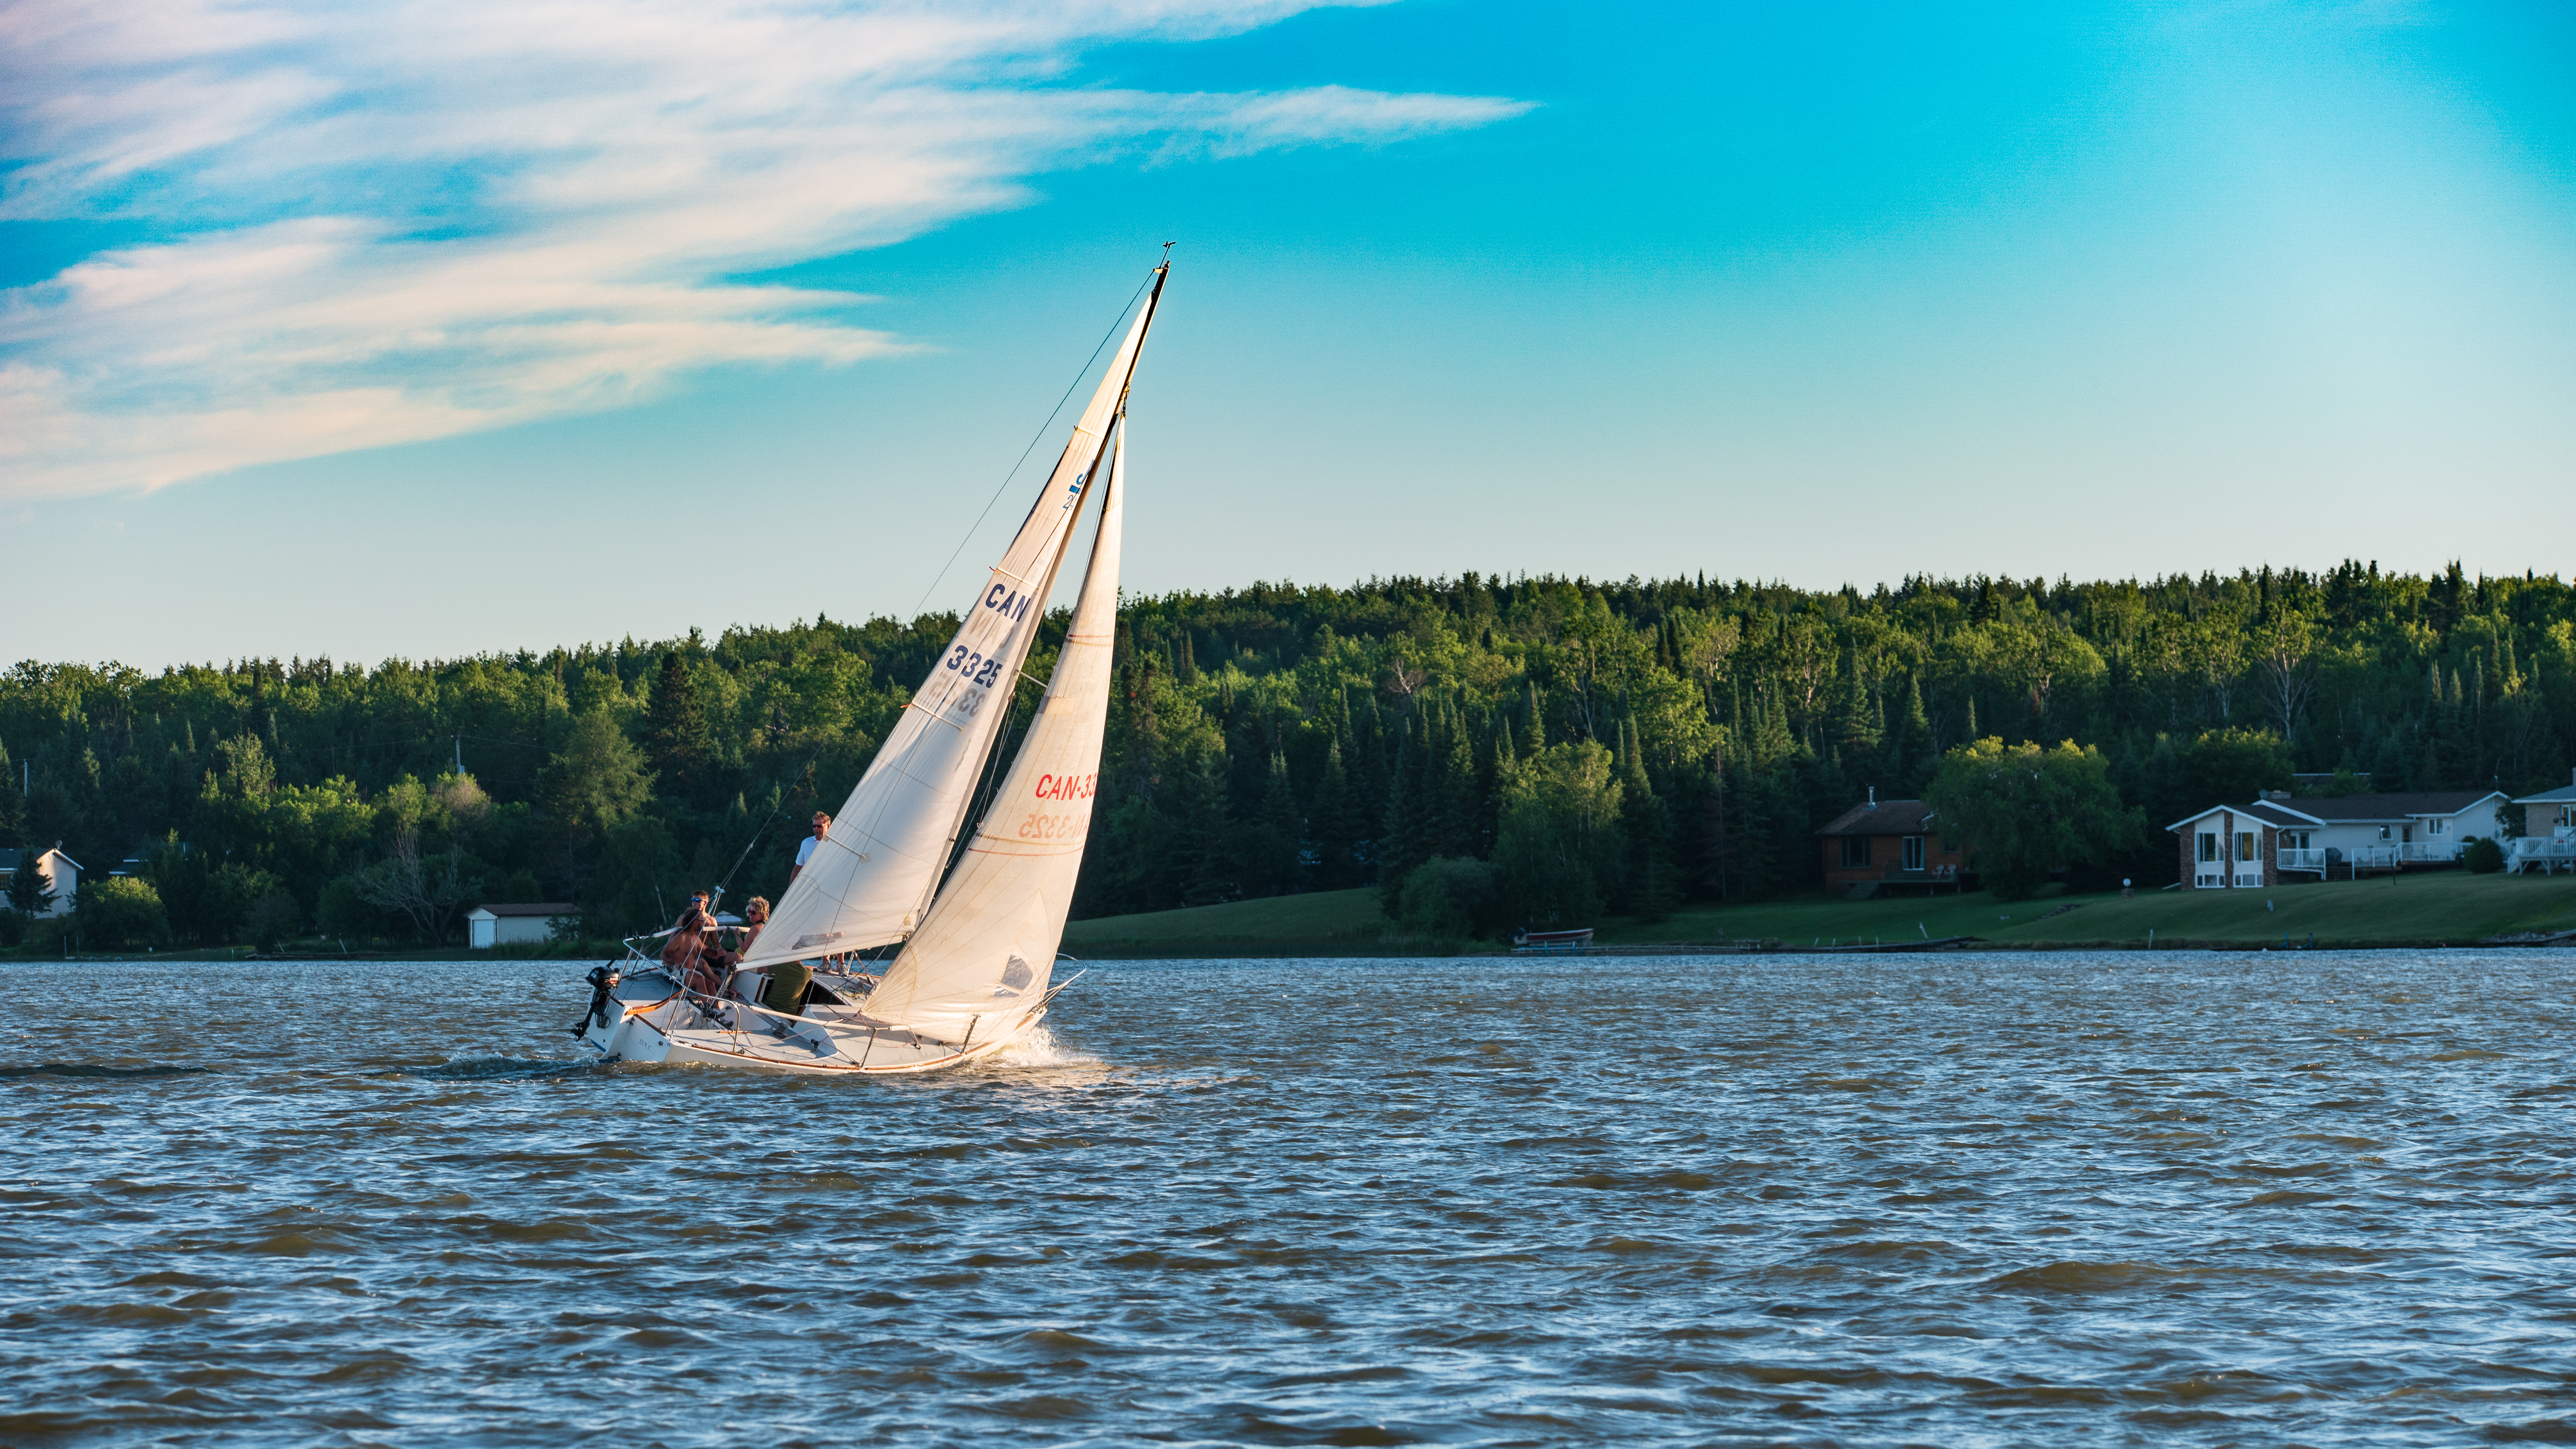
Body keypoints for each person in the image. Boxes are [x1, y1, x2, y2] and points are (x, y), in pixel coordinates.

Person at [660, 890, 737, 996]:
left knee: (737, 957)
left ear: (705, 903)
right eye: (693, 900)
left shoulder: (711, 921)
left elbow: (716, 943)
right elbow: (675, 938)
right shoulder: (685, 918)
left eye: (697, 900)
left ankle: (731, 982)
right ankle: (727, 988)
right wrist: (675, 960)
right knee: (703, 965)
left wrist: (718, 952)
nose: (694, 903)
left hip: (707, 952)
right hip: (694, 953)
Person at [788, 812, 831, 883]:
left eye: (819, 826)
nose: (816, 829)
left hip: (829, 884)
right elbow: (799, 866)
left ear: (828, 826)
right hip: (810, 885)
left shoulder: (834, 843)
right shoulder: (806, 843)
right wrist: (791, 886)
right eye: (814, 826)